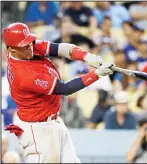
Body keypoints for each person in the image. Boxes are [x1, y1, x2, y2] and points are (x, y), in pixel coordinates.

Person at [2, 22, 115, 163]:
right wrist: (97, 74)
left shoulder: (27, 48)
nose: (30, 47)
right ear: (12, 49)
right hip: (37, 130)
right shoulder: (24, 75)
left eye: (30, 42)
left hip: (52, 120)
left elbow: (59, 48)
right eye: (25, 45)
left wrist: (86, 56)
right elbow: (65, 89)